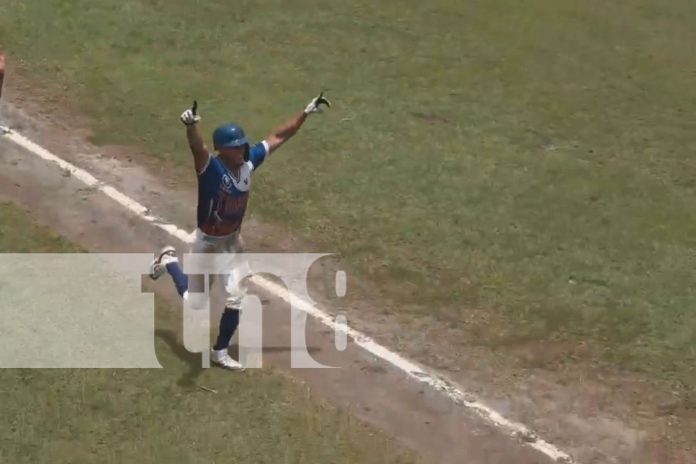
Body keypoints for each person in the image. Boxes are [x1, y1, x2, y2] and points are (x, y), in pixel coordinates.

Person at [149, 92, 331, 371]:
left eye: (243, 144)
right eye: (236, 146)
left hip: (232, 243)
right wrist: (191, 127)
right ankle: (169, 261)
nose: (242, 148)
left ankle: (219, 352)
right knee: (196, 302)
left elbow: (279, 137)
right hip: (207, 244)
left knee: (237, 297)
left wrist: (304, 113)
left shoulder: (248, 163)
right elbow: (197, 149)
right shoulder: (211, 168)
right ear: (222, 149)